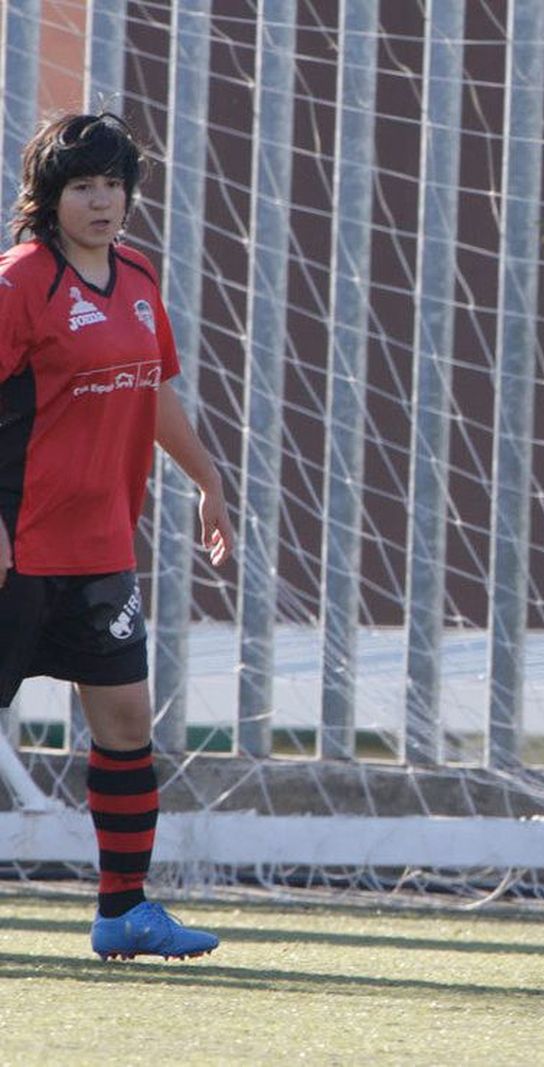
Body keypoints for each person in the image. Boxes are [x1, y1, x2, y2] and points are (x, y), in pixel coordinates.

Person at [0, 112, 236, 961]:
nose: (101, 201)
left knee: (127, 719)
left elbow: (154, 389)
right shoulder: (19, 283)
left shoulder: (136, 274)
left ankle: (124, 910)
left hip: (100, 549)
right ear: (50, 198)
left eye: (113, 185)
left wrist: (208, 479)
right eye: (82, 187)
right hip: (17, 550)